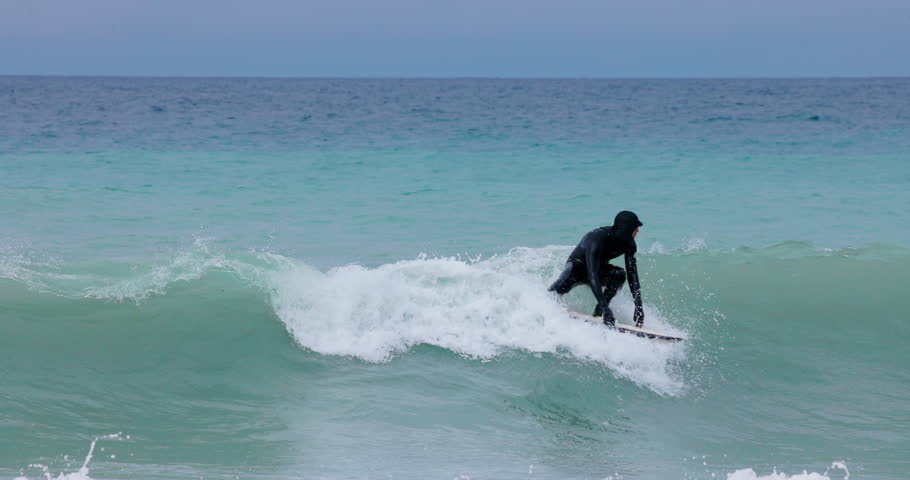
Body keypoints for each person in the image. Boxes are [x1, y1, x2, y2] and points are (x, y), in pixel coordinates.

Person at [548, 211, 645, 327]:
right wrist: (606, 308)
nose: (637, 231)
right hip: (576, 268)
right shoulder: (597, 238)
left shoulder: (630, 245)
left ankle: (598, 313)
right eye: (635, 228)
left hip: (598, 270)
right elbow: (592, 274)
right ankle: (544, 302)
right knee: (558, 288)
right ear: (627, 229)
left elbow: (632, 275)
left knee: (619, 275)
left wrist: (638, 305)